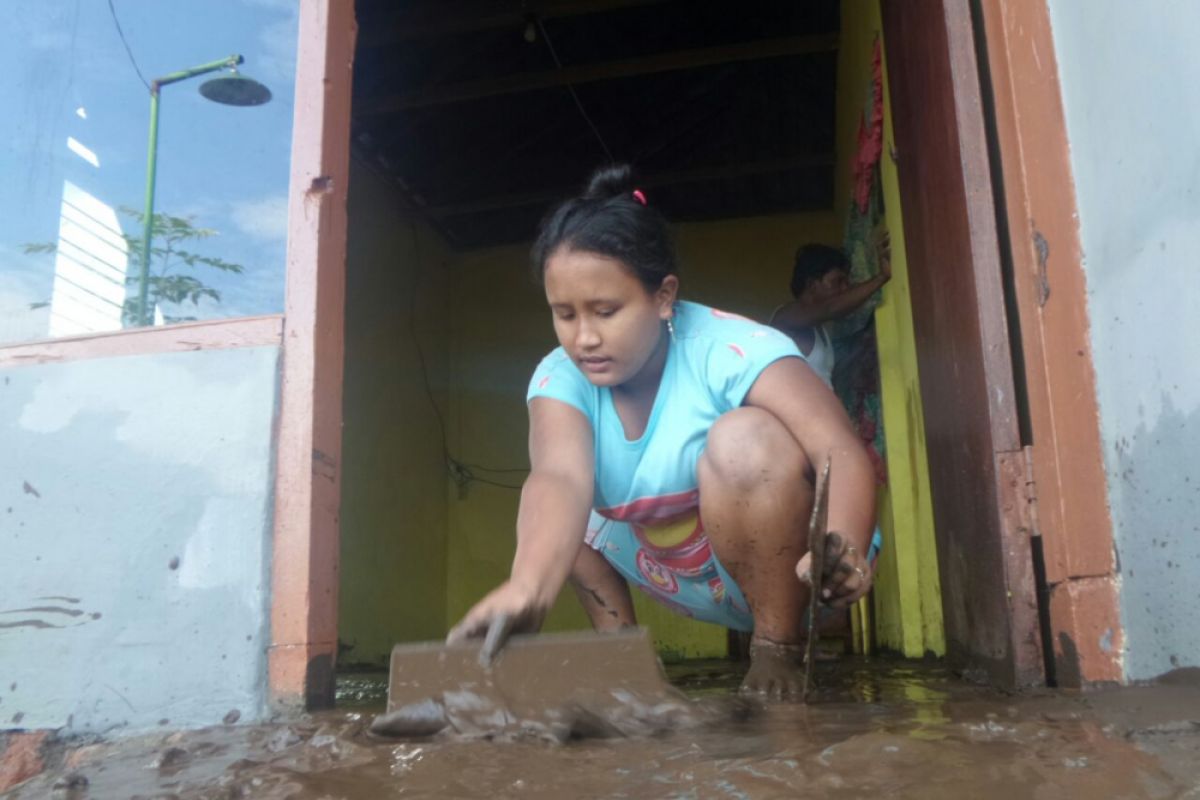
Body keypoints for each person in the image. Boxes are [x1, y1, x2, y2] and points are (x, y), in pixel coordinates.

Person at [446, 165, 878, 698]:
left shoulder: (733, 349)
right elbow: (557, 477)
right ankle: (625, 662)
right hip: (675, 566)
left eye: (606, 311)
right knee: (559, 516)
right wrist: (527, 586)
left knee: (744, 439)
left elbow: (840, 450)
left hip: (798, 565)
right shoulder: (560, 378)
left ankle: (777, 651)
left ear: (663, 295)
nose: (583, 338)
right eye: (564, 314)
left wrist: (846, 543)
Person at [768, 236, 891, 387]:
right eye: (837, 281)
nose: (845, 289)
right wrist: (882, 277)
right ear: (812, 285)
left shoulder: (820, 330)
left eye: (846, 282)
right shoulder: (786, 316)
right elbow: (831, 308)